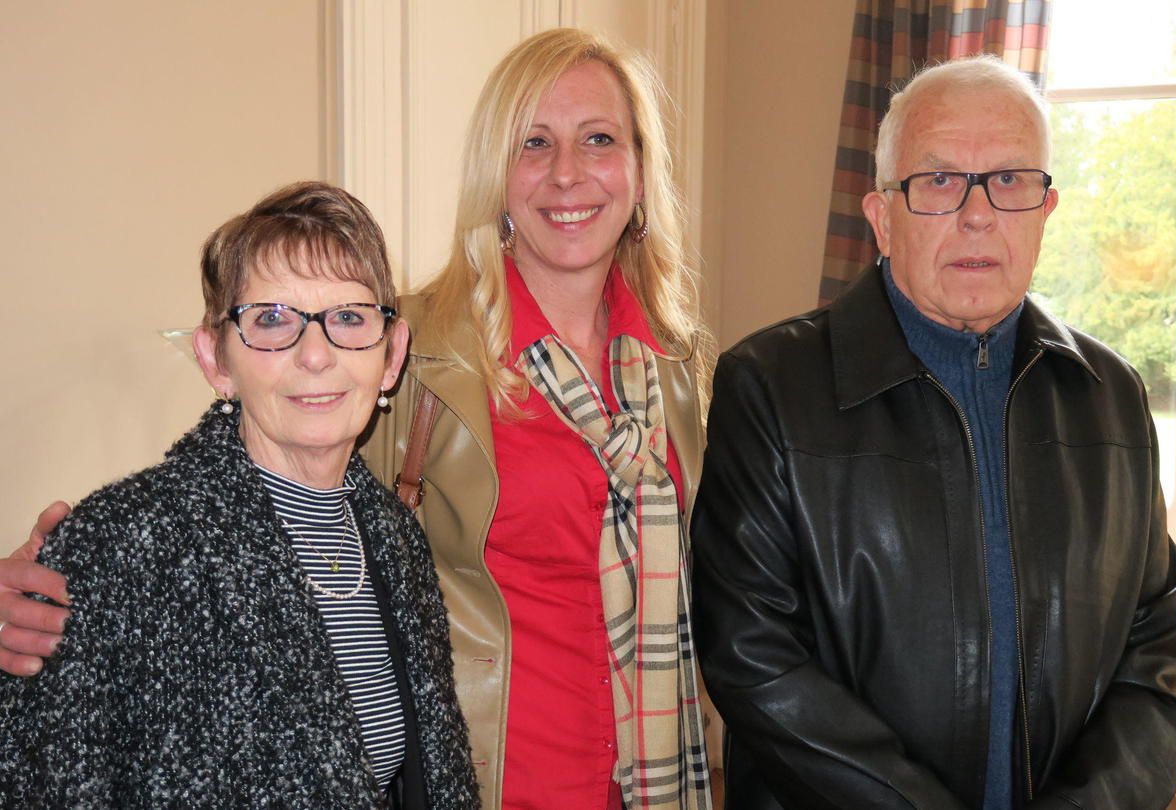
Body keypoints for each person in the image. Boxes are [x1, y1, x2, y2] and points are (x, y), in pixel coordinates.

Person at [0, 29, 715, 810]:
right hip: (502, 781)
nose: (568, 172)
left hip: (648, 783)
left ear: (640, 169)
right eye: (533, 142)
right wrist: (48, 586)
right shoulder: (413, 353)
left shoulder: (672, 370)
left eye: (600, 139)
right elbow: (233, 516)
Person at [690, 55, 1176, 810]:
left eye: (1011, 180)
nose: (979, 213)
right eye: (938, 181)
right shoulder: (769, 385)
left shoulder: (1111, 396)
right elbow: (754, 661)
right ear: (881, 219)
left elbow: (1150, 661)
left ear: (1045, 211)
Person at [0, 182, 479, 808]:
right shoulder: (117, 546)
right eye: (273, 320)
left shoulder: (395, 537)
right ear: (216, 359)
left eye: (349, 317)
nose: (316, 354)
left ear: (392, 357)